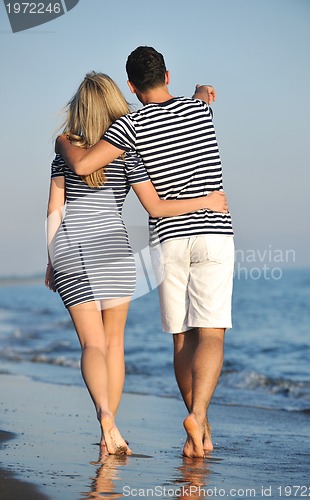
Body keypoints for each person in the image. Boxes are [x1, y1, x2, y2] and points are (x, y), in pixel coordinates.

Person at [56, 47, 234, 458]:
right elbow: (205, 96)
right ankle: (199, 420)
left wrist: (66, 143)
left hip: (169, 238)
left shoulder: (130, 127)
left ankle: (193, 426)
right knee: (211, 332)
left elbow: (82, 169)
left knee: (180, 339)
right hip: (214, 233)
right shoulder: (199, 111)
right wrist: (200, 92)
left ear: (132, 87)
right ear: (168, 75)